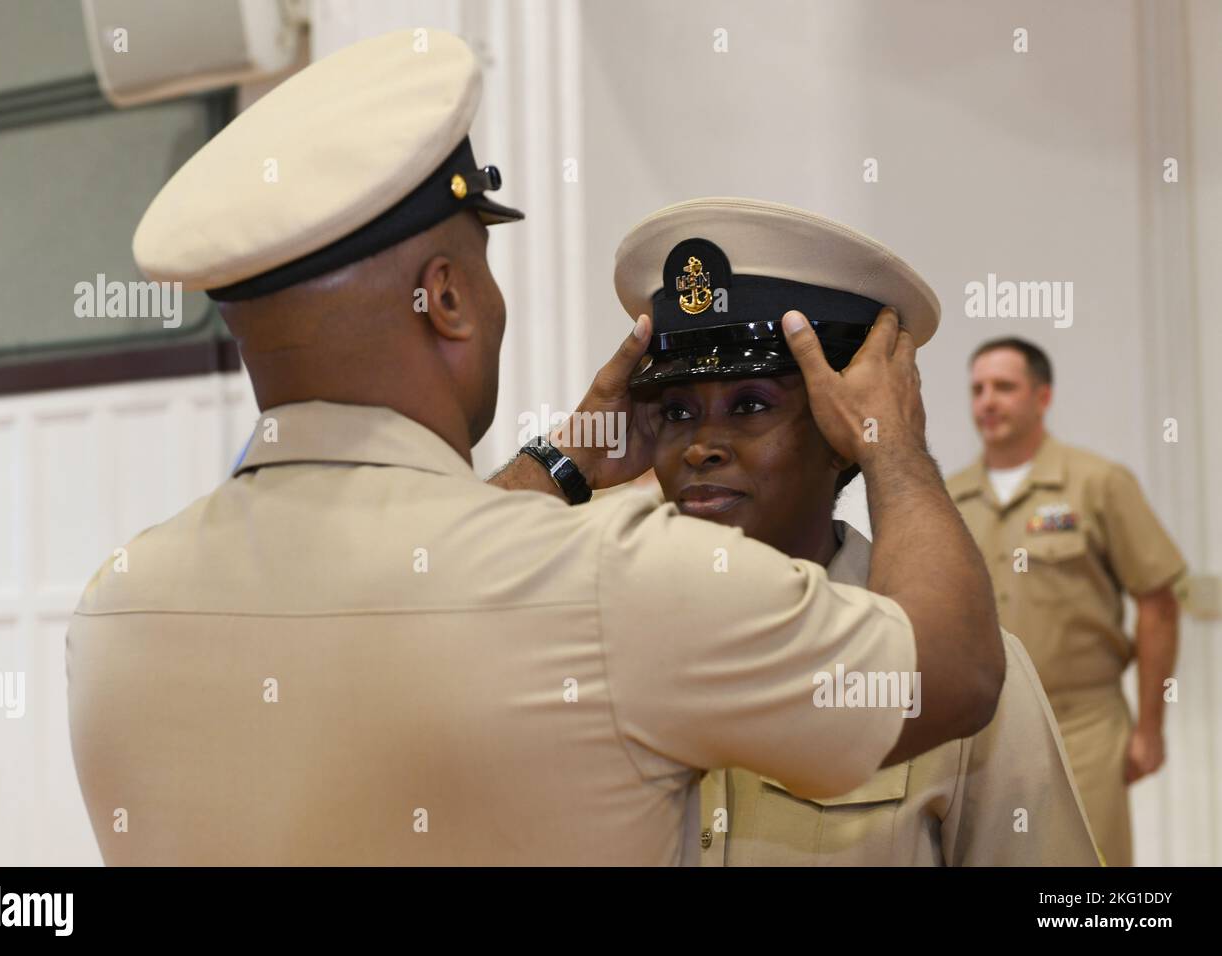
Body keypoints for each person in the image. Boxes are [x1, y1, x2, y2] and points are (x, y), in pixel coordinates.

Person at [66, 30, 1003, 865]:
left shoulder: (116, 608)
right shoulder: (617, 582)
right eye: (483, 263)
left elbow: (441, 578)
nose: (706, 442)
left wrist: (566, 460)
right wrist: (895, 448)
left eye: (748, 405)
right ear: (446, 297)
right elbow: (955, 669)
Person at [610, 199, 1099, 865]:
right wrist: (566, 464)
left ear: (842, 433)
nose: (702, 446)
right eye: (675, 410)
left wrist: (890, 446)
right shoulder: (604, 647)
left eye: (751, 405)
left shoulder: (955, 664)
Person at [947, 337, 1185, 866]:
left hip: (1084, 726)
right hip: (985, 731)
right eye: (978, 389)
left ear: (1043, 397)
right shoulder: (949, 497)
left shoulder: (1098, 484)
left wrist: (1149, 728)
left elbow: (1158, 602)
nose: (987, 401)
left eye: (1004, 387)